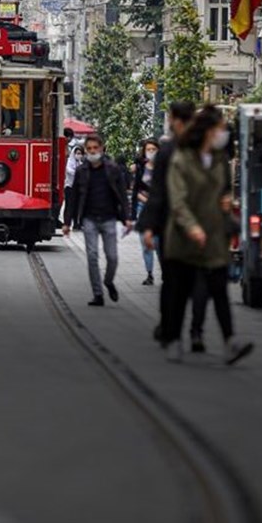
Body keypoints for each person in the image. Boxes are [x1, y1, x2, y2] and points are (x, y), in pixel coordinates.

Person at [158, 106, 253, 365]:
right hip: (184, 237)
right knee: (181, 290)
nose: (224, 133)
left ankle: (230, 341)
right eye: (220, 128)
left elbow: (223, 189)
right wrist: (192, 227)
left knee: (219, 290)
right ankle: (174, 339)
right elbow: (177, 201)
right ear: (208, 130)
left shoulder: (220, 159)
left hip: (213, 235)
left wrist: (225, 202)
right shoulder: (182, 158)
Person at [138, 101, 196, 343]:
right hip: (172, 226)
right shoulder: (168, 152)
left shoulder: (199, 150)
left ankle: (190, 331)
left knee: (187, 282)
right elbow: (158, 192)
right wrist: (149, 226)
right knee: (173, 278)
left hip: (193, 226)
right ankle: (171, 327)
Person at [63, 134, 131, 307]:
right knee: (92, 256)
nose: (92, 151)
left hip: (109, 218)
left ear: (101, 149)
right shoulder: (81, 171)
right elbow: (75, 198)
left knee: (112, 257)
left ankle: (108, 281)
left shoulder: (112, 169)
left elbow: (122, 195)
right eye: (89, 149)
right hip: (89, 219)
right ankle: (98, 294)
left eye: (95, 148)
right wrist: (67, 223)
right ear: (86, 151)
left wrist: (127, 218)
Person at [132, 138, 160, 284]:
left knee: (159, 243)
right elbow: (136, 188)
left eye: (153, 149)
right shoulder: (141, 167)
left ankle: (166, 272)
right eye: (148, 150)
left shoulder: (164, 168)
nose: (151, 152)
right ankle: (149, 274)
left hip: (160, 210)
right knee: (145, 243)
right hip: (142, 208)